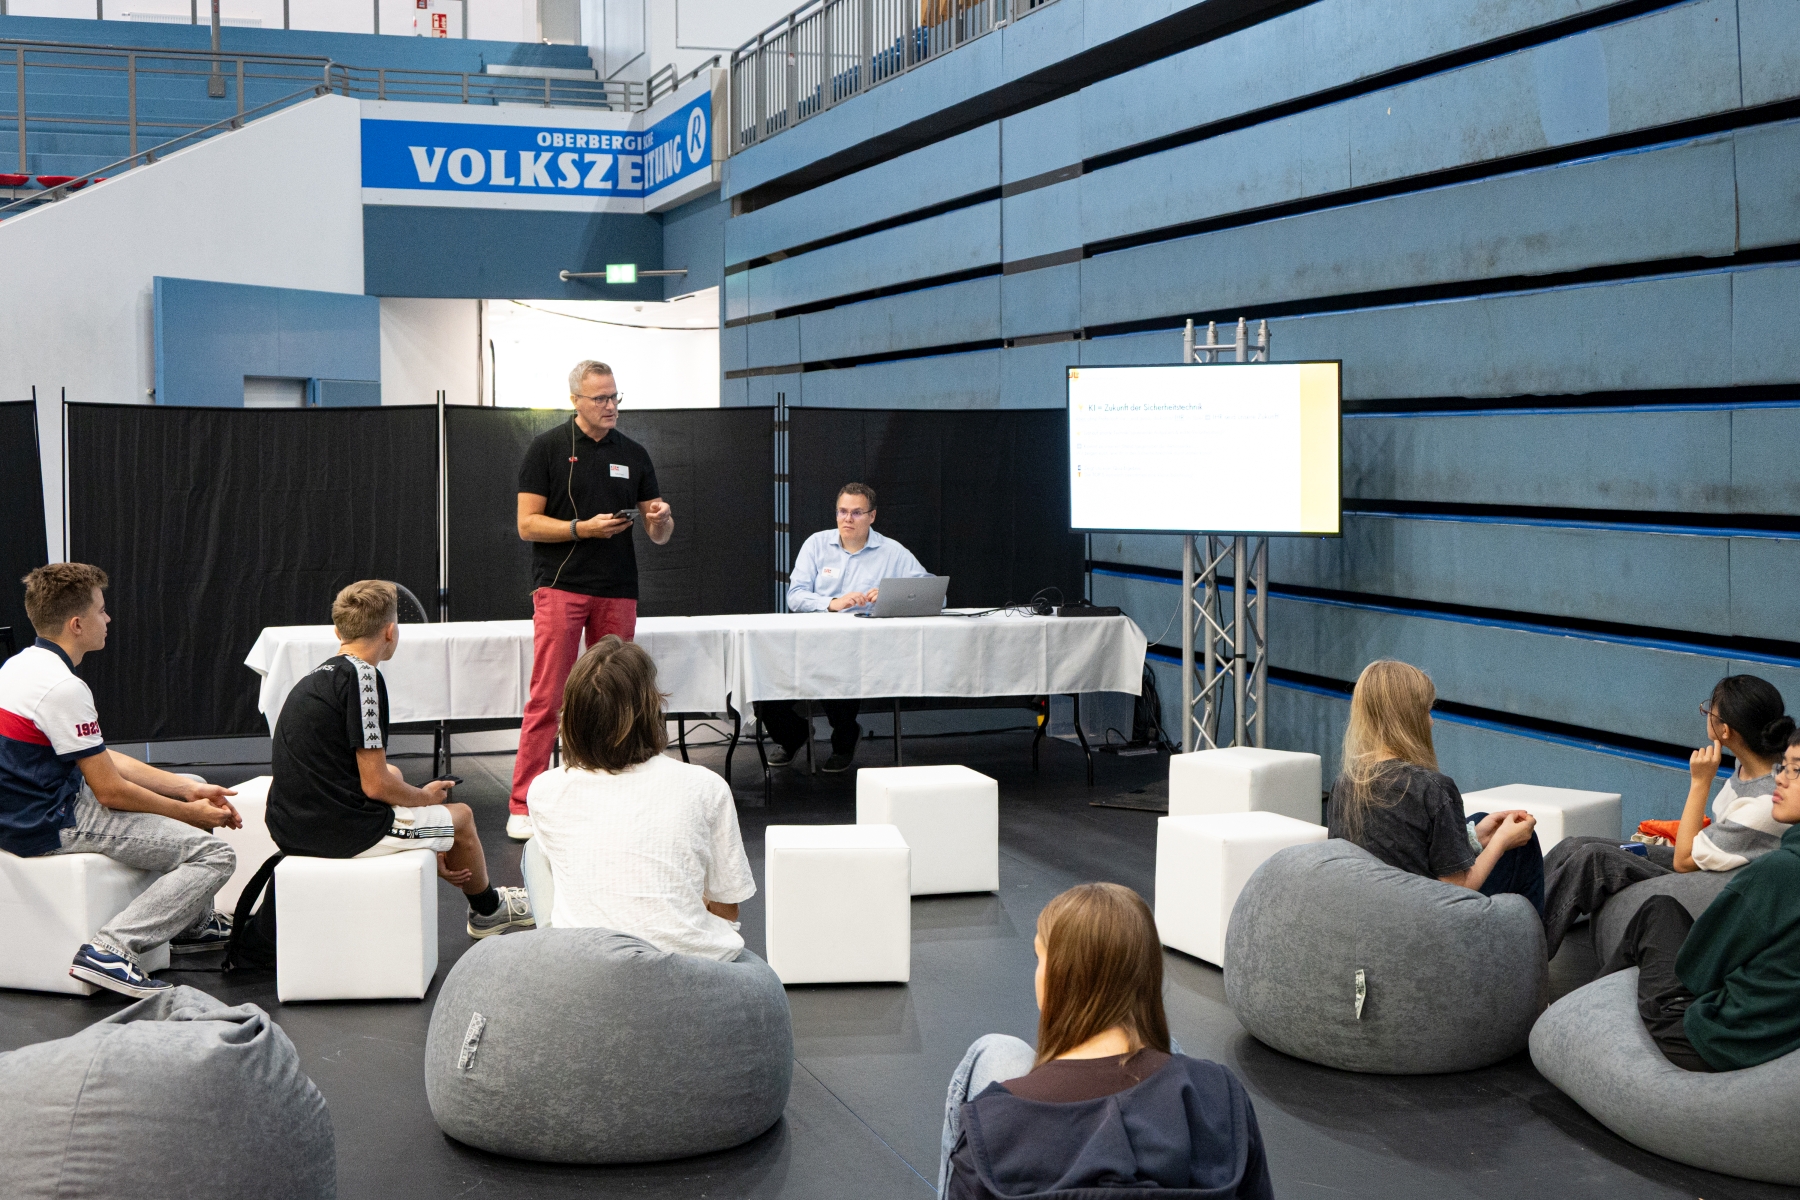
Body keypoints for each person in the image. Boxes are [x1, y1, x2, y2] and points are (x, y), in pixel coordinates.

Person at [937, 883, 1273, 1200]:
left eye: (1040, 957)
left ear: (1059, 977)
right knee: (1166, 1049)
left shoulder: (991, 1125)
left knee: (995, 1051)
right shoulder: (1219, 1094)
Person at [0, 564, 240, 998]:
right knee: (215, 855)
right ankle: (111, 949)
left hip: (28, 805)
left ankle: (191, 924)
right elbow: (110, 791)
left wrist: (186, 790)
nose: (108, 618)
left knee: (191, 779)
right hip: (48, 821)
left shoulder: (20, 666)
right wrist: (190, 814)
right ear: (77, 625)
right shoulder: (63, 688)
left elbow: (97, 756)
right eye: (101, 610)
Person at [267, 580, 533, 939]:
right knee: (461, 818)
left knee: (394, 771)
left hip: (288, 823)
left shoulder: (317, 676)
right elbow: (375, 786)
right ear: (391, 632)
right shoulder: (364, 678)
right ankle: (488, 911)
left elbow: (374, 775)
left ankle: (427, 837)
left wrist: (422, 826)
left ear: (338, 632)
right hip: (336, 831)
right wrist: (425, 800)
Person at [511, 359, 674, 840]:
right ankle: (522, 802)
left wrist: (661, 518)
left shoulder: (634, 453)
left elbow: (659, 533)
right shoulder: (547, 448)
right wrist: (581, 529)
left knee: (619, 693)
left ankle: (614, 791)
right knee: (549, 696)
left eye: (615, 396)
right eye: (600, 398)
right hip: (561, 585)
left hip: (617, 588)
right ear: (575, 401)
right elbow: (526, 525)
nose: (610, 406)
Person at [523, 636, 756, 959]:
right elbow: (727, 910)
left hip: (584, 969)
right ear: (651, 710)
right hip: (688, 971)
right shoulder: (706, 786)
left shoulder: (544, 790)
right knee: (758, 974)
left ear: (571, 718)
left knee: (534, 852)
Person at [1541, 675, 1792, 957]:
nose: (1705, 714)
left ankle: (1527, 950)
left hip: (1716, 883)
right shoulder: (1749, 763)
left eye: (1708, 711)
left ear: (1725, 730)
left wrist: (1700, 782)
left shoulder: (1765, 804)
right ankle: (1513, 919)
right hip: (1709, 860)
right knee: (1575, 844)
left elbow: (1683, 861)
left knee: (1593, 859)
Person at [1603, 730, 1800, 1072]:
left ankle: (1580, 1015)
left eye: (1795, 770)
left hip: (1717, 1037)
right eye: (1782, 766)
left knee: (1658, 911)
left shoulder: (1779, 872)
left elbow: (1697, 970)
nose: (1779, 778)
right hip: (1781, 1033)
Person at [1326, 660, 1544, 910]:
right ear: (1408, 719)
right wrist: (1501, 841)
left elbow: (1400, 850)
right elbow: (1457, 889)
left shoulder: (1343, 785)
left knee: (1478, 820)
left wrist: (1474, 838)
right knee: (1522, 847)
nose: (1431, 722)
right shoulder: (1433, 788)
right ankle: (1532, 933)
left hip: (1368, 912)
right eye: (1427, 711)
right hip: (1427, 919)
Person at [757, 482, 929, 773]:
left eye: (857, 512)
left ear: (872, 516)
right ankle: (793, 735)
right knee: (763, 684)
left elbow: (932, 593)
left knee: (839, 675)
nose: (848, 519)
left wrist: (892, 594)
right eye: (842, 511)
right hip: (809, 643)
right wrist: (831, 603)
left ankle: (844, 740)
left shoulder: (892, 552)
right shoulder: (816, 544)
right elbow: (795, 596)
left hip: (860, 650)